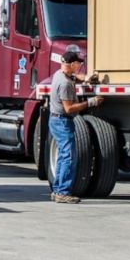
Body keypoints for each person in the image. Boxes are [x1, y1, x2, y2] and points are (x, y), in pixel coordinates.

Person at [49, 46, 103, 204]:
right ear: (71, 64)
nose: (79, 65)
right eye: (77, 63)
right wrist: (91, 102)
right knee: (68, 157)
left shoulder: (59, 74)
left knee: (62, 157)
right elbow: (69, 108)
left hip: (56, 120)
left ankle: (57, 190)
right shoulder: (64, 84)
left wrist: (85, 79)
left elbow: (75, 78)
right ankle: (63, 192)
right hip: (62, 121)